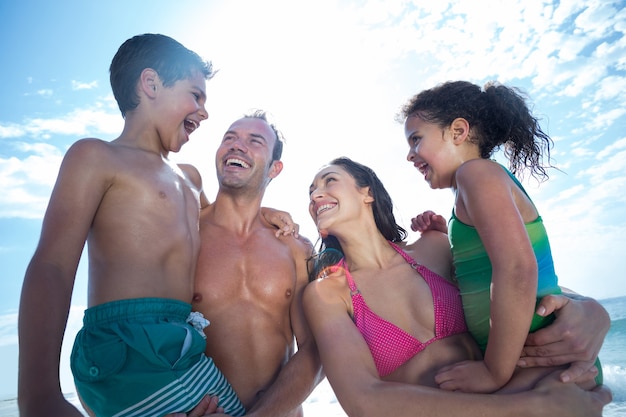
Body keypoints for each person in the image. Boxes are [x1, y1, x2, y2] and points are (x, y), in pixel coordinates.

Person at [17, 34, 296, 417]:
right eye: (196, 95)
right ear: (150, 84)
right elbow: (51, 266)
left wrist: (266, 213)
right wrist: (39, 394)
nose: (204, 111)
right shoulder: (97, 156)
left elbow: (225, 215)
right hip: (126, 345)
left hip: (179, 344)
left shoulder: (190, 179)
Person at [303, 157, 610, 417]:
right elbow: (363, 399)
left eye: (329, 181)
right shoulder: (328, 293)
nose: (317, 195)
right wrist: (531, 405)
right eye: (311, 191)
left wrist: (589, 308)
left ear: (366, 193)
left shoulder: (434, 248)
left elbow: (513, 285)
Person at [398, 80, 602, 393]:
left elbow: (518, 269)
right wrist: (445, 237)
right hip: (530, 360)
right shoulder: (470, 190)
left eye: (416, 140)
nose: (410, 156)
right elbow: (480, 273)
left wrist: (494, 372)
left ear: (458, 131)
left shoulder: (476, 174)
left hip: (540, 363)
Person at [190, 110, 323, 417]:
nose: (238, 146)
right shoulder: (187, 237)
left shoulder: (294, 247)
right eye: (230, 138)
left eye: (254, 141)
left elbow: (314, 351)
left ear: (275, 168)